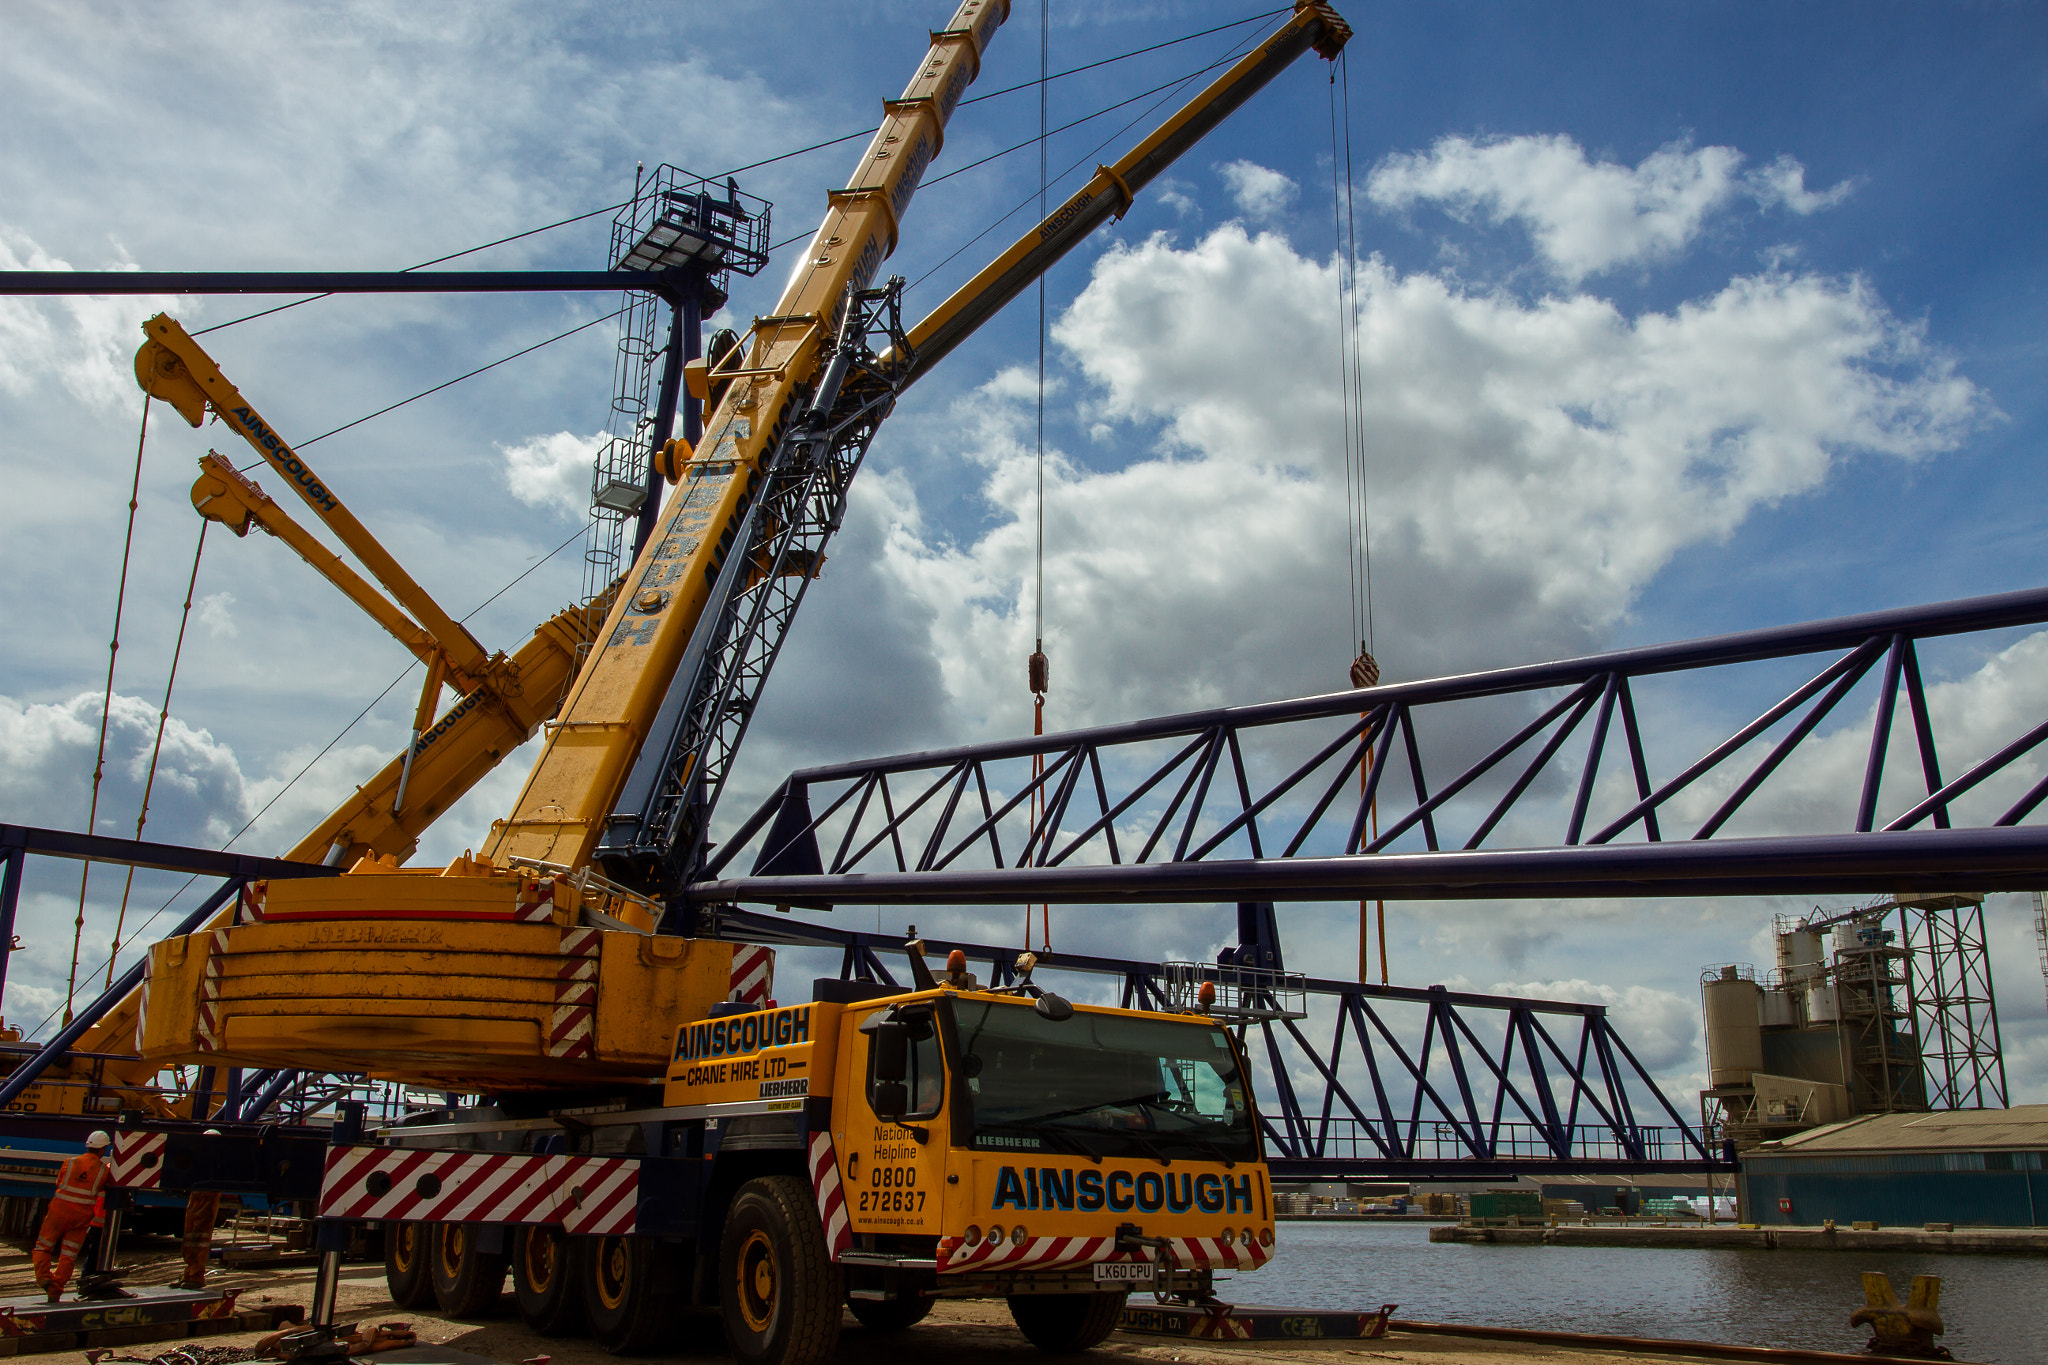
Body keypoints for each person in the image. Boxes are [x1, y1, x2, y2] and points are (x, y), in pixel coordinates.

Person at [34, 1131, 111, 1301]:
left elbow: (60, 1182)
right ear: (103, 1149)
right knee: (68, 1254)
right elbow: (102, 1188)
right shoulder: (103, 1172)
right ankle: (56, 1289)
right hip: (80, 1218)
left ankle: (44, 1278)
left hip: (58, 1213)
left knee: (43, 1246)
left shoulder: (69, 1163)